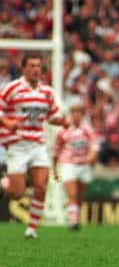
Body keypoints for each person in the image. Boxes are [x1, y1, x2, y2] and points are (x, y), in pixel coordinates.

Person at [0, 53, 69, 239]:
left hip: (37, 144)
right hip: (17, 144)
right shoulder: (12, 88)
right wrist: (8, 123)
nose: (35, 69)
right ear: (23, 68)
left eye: (38, 66)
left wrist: (62, 122)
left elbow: (51, 116)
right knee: (17, 193)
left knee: (41, 186)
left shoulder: (46, 91)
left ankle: (31, 230)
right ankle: (4, 183)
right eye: (31, 66)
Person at [53, 101, 100, 231]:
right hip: (68, 164)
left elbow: (94, 148)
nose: (76, 115)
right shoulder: (63, 130)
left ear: (83, 114)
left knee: (80, 196)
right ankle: (73, 222)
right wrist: (55, 169)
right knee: (72, 193)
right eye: (74, 112)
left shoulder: (88, 130)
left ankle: (75, 216)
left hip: (83, 165)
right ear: (71, 114)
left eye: (79, 112)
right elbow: (56, 151)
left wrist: (87, 159)